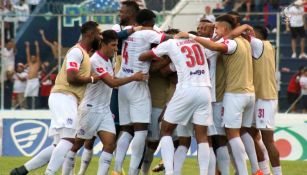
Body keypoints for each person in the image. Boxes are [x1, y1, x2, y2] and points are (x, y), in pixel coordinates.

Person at [10, 21, 101, 175]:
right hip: (65, 96)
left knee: (57, 144)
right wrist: (92, 79)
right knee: (70, 140)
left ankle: (21, 170)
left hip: (63, 97)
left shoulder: (83, 54)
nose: (100, 36)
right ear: (90, 34)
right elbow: (72, 77)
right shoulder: (77, 52)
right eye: (98, 33)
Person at [62, 30, 147, 175]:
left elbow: (115, 81)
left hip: (104, 110)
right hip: (90, 108)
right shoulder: (95, 60)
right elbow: (112, 83)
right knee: (76, 144)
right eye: (113, 45)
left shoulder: (108, 60)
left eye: (117, 45)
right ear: (103, 44)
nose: (115, 49)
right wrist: (134, 77)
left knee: (109, 144)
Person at [113, 9, 166, 175]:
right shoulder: (147, 34)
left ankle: (116, 169)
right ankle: (132, 172)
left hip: (123, 81)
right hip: (137, 82)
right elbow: (167, 39)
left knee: (127, 129)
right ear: (151, 21)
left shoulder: (129, 33)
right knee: (141, 131)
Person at [24, 41, 41, 109]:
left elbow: (38, 54)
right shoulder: (30, 63)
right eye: (32, 57)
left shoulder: (37, 64)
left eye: (34, 57)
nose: (33, 58)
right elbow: (27, 54)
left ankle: (35, 107)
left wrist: (37, 45)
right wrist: (28, 46)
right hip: (29, 81)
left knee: (35, 95)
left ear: (36, 58)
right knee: (27, 94)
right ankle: (28, 107)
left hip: (35, 80)